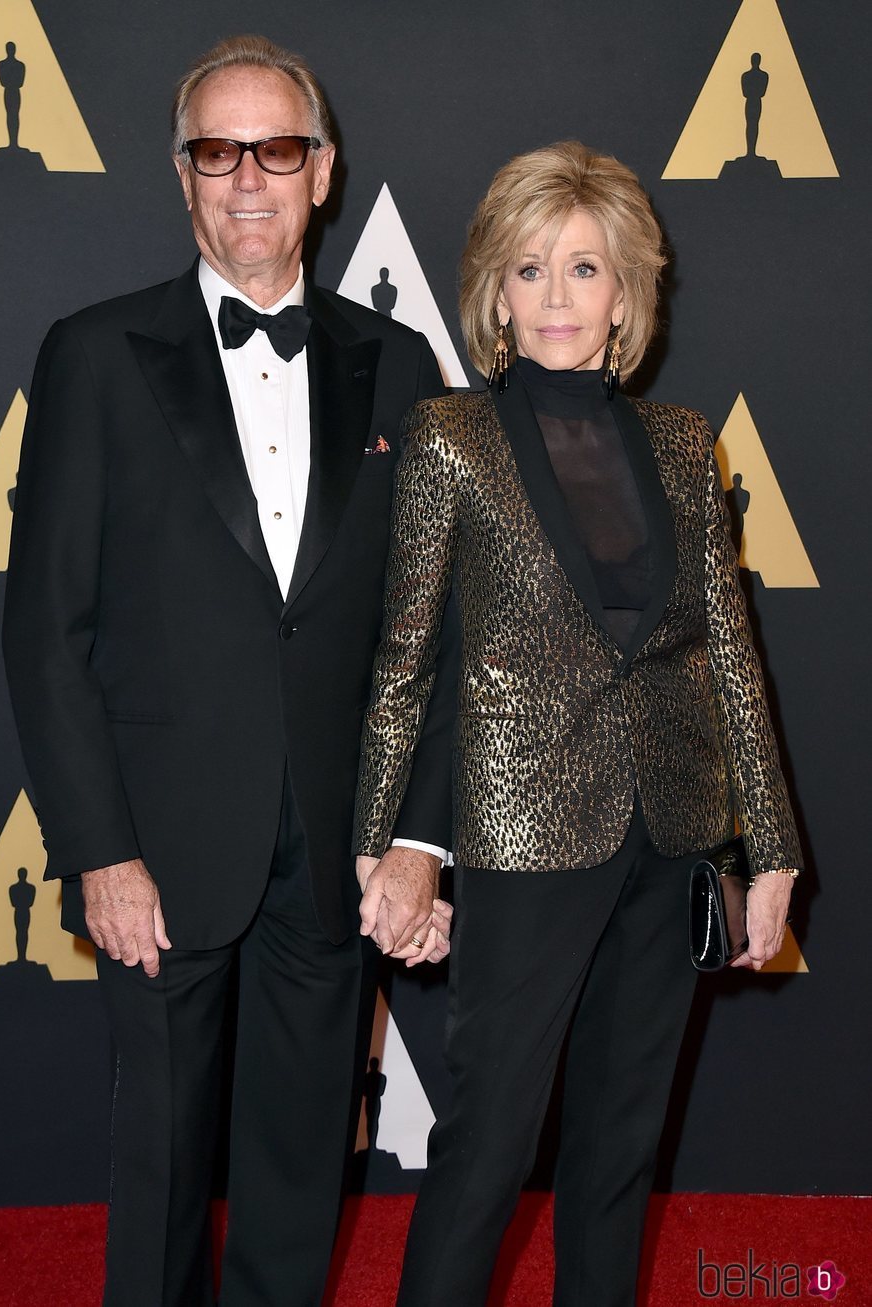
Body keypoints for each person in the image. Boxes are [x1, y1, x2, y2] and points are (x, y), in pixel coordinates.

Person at [2, 33, 453, 1307]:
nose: (246, 178)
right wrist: (99, 848)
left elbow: (431, 635)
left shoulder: (400, 366)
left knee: (302, 1164)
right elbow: (44, 626)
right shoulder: (93, 355)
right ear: (182, 174)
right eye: (217, 150)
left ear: (322, 172)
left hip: (331, 851)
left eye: (276, 149)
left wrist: (411, 839)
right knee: (155, 1171)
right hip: (156, 847)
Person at [354, 140, 802, 1307]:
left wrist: (769, 849)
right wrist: (383, 841)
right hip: (519, 836)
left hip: (667, 834)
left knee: (617, 1153)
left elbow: (727, 655)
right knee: (487, 1150)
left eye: (585, 268)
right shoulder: (449, 437)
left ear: (627, 293)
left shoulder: (679, 444)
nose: (558, 297)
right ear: (495, 292)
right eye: (531, 268)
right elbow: (406, 658)